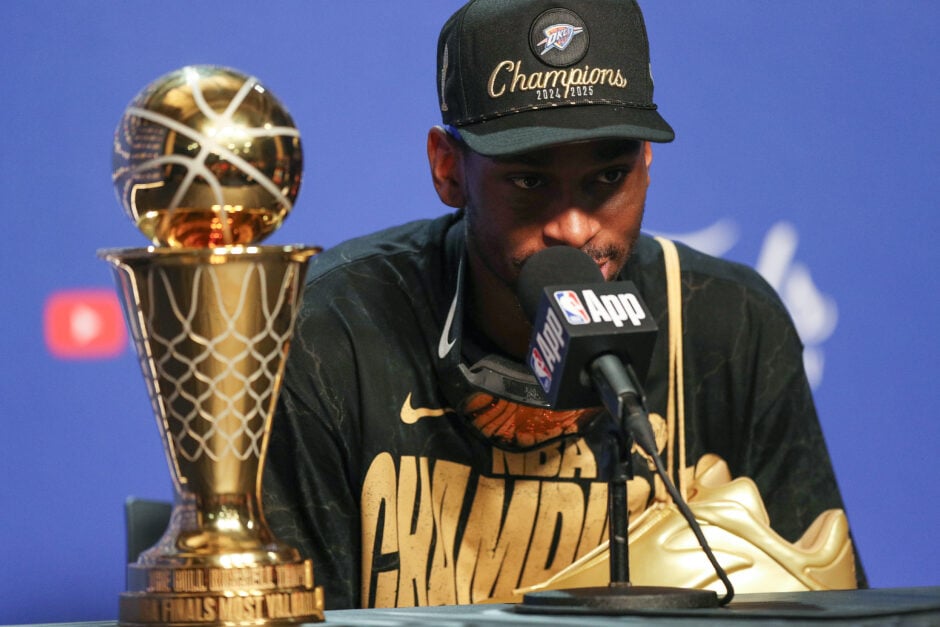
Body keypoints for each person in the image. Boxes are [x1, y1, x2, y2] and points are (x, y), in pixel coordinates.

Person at [262, 0, 864, 609]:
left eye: (608, 178)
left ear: (646, 164)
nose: (574, 229)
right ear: (449, 170)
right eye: (529, 181)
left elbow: (827, 600)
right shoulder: (327, 331)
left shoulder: (727, 322)